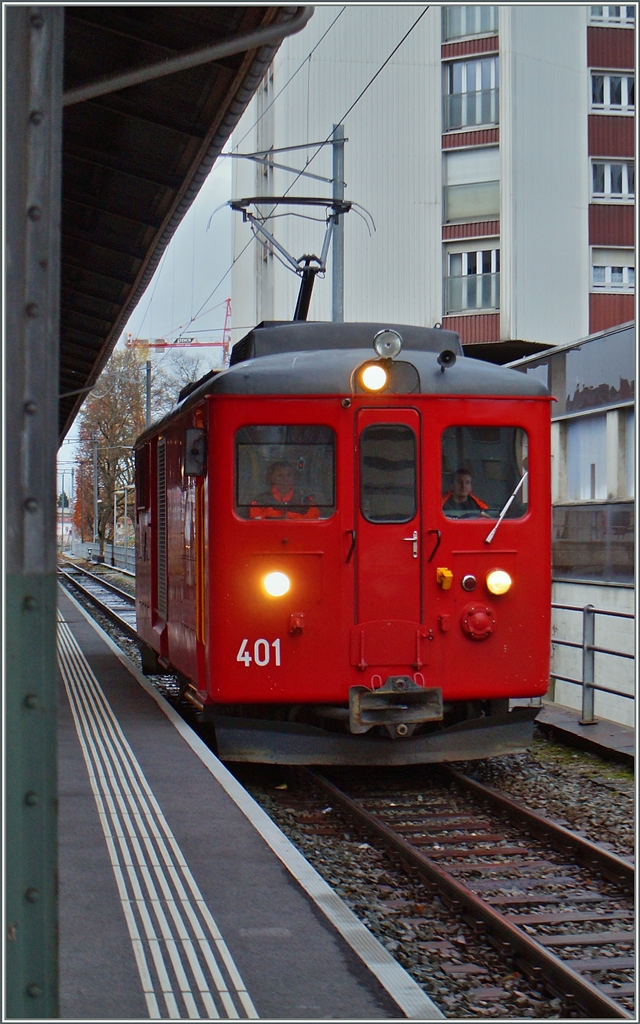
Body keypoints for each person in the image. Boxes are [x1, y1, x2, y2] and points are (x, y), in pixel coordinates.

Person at [249, 461, 319, 519]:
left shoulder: (305, 502)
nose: (285, 479)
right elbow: (256, 523)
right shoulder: (260, 501)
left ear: (294, 478)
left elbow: (312, 522)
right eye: (280, 476)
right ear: (272, 478)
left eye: (288, 475)